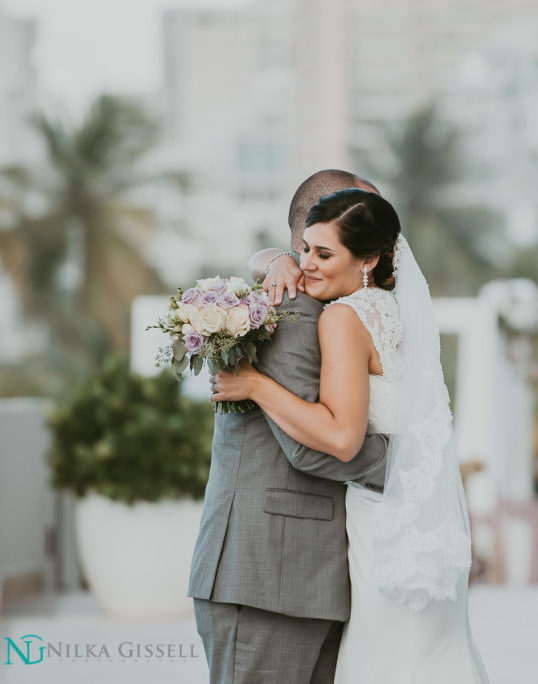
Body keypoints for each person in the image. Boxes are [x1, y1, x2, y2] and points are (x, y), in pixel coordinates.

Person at [210, 187, 490, 683]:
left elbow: (342, 438)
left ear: (369, 258)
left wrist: (255, 384)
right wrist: (275, 259)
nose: (305, 266)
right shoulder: (398, 313)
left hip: (381, 528)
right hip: (421, 529)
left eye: (323, 253)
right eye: (302, 250)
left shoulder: (343, 317)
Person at [188, 170, 390, 684]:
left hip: (306, 576)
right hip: (263, 574)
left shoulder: (341, 310)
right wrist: (411, 462)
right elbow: (311, 449)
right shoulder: (291, 310)